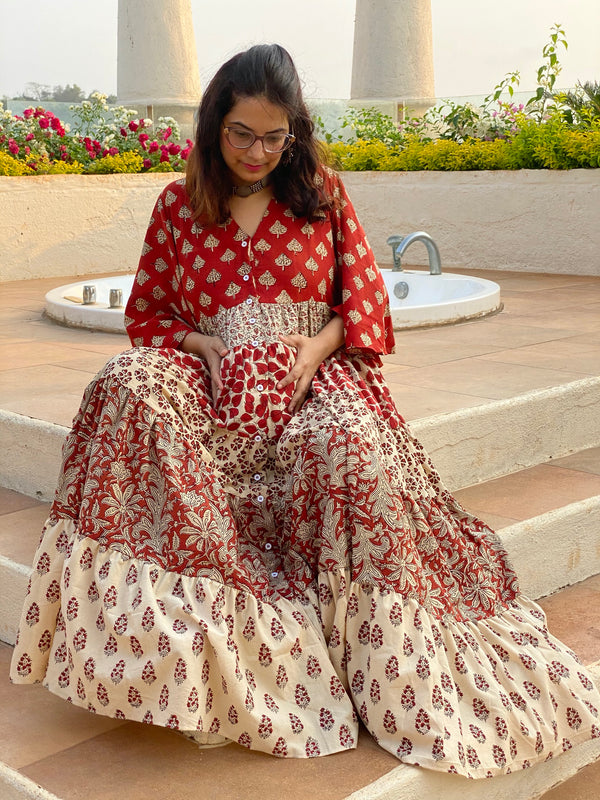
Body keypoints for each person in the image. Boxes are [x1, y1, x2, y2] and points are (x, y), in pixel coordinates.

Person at [11, 44, 600, 776]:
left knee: (345, 446)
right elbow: (148, 314)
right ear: (212, 126)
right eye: (240, 133)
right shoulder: (177, 204)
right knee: (128, 383)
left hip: (314, 381)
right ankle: (203, 663)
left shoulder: (322, 193)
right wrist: (205, 345)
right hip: (210, 385)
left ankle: (355, 661)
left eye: (274, 135)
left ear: (295, 132)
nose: (257, 152)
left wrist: (315, 350)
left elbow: (365, 304)